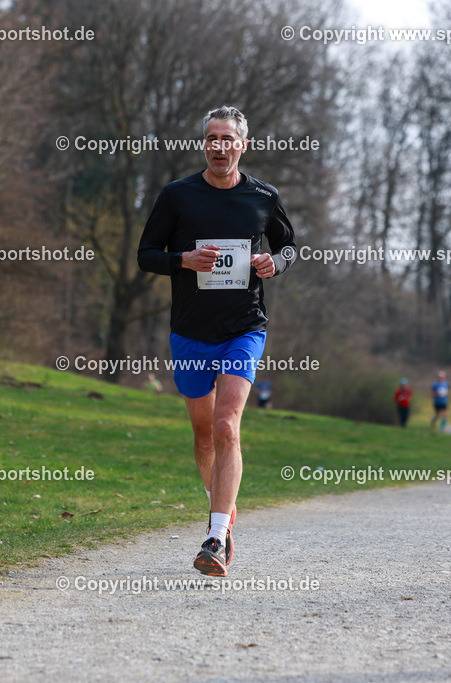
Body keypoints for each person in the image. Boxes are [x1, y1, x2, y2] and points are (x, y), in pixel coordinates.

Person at [137, 105, 297, 576]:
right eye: (212, 138)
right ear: (204, 144)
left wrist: (276, 263)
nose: (220, 146)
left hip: (244, 327)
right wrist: (183, 260)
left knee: (228, 426)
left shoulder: (263, 197)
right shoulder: (177, 196)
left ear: (242, 145)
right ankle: (224, 516)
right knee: (204, 435)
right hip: (190, 332)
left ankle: (214, 534)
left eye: (228, 139)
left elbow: (288, 245)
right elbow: (146, 254)